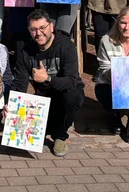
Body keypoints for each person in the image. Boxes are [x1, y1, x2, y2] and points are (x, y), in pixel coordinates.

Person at [10, 10, 83, 157]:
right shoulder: (26, 50)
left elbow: (71, 81)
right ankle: (46, 129)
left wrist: (48, 79)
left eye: (42, 28)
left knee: (72, 96)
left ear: (51, 26)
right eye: (33, 30)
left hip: (66, 91)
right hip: (43, 95)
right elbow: (20, 82)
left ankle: (60, 136)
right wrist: (11, 107)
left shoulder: (66, 47)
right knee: (29, 136)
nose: (38, 33)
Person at [93, 6, 129, 144]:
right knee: (103, 89)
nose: (127, 27)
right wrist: (117, 73)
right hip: (110, 82)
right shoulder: (106, 41)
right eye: (123, 23)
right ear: (118, 23)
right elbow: (103, 68)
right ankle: (113, 115)